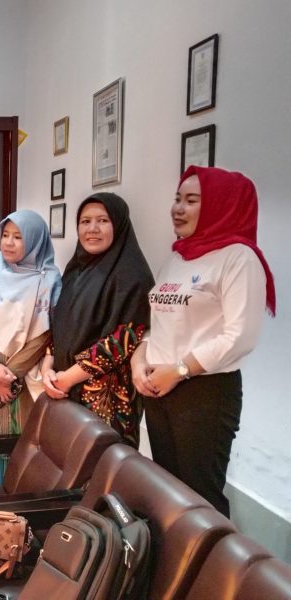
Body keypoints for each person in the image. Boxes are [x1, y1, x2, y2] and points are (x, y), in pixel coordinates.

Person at [131, 166, 275, 517]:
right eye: (177, 199)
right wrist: (139, 360)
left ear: (221, 204)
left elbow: (239, 336)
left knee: (200, 498)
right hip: (159, 387)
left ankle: (212, 555)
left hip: (204, 391)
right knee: (168, 491)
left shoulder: (239, 258)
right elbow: (158, 324)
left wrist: (179, 370)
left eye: (192, 200)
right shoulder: (178, 256)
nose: (178, 208)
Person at [41, 193, 154, 448]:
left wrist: (67, 378)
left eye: (103, 220)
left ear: (119, 224)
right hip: (64, 387)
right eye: (85, 221)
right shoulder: (75, 269)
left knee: (101, 464)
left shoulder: (133, 275)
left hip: (106, 399)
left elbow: (122, 341)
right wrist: (47, 368)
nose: (92, 229)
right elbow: (61, 322)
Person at [0, 210, 61, 483]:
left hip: (26, 375)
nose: (8, 243)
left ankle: (20, 506)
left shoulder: (49, 280)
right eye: (5, 235)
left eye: (18, 237)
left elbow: (46, 334)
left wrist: (9, 376)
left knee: (24, 443)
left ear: (34, 241)